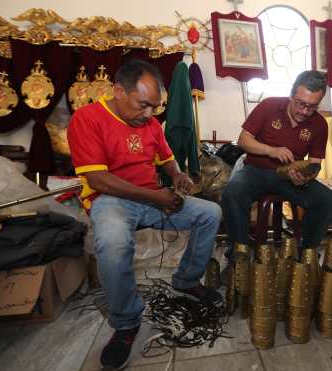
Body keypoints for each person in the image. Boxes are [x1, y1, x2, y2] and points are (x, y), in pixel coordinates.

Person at [67, 59, 222, 370]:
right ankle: (125, 324)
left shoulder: (149, 124)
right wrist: (156, 197)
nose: (150, 114)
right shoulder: (88, 119)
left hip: (152, 198)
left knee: (210, 213)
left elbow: (167, 159)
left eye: (154, 106)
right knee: (112, 242)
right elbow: (98, 179)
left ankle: (187, 279)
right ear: (118, 91)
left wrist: (177, 176)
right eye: (143, 105)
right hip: (110, 200)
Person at [221, 70, 332, 263]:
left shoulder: (319, 124)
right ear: (291, 95)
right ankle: (238, 255)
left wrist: (306, 176)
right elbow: (243, 140)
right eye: (300, 104)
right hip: (255, 170)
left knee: (326, 200)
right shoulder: (269, 106)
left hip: (290, 178)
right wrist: (271, 150)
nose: (304, 111)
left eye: (311, 107)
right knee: (232, 193)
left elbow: (315, 163)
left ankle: (306, 254)